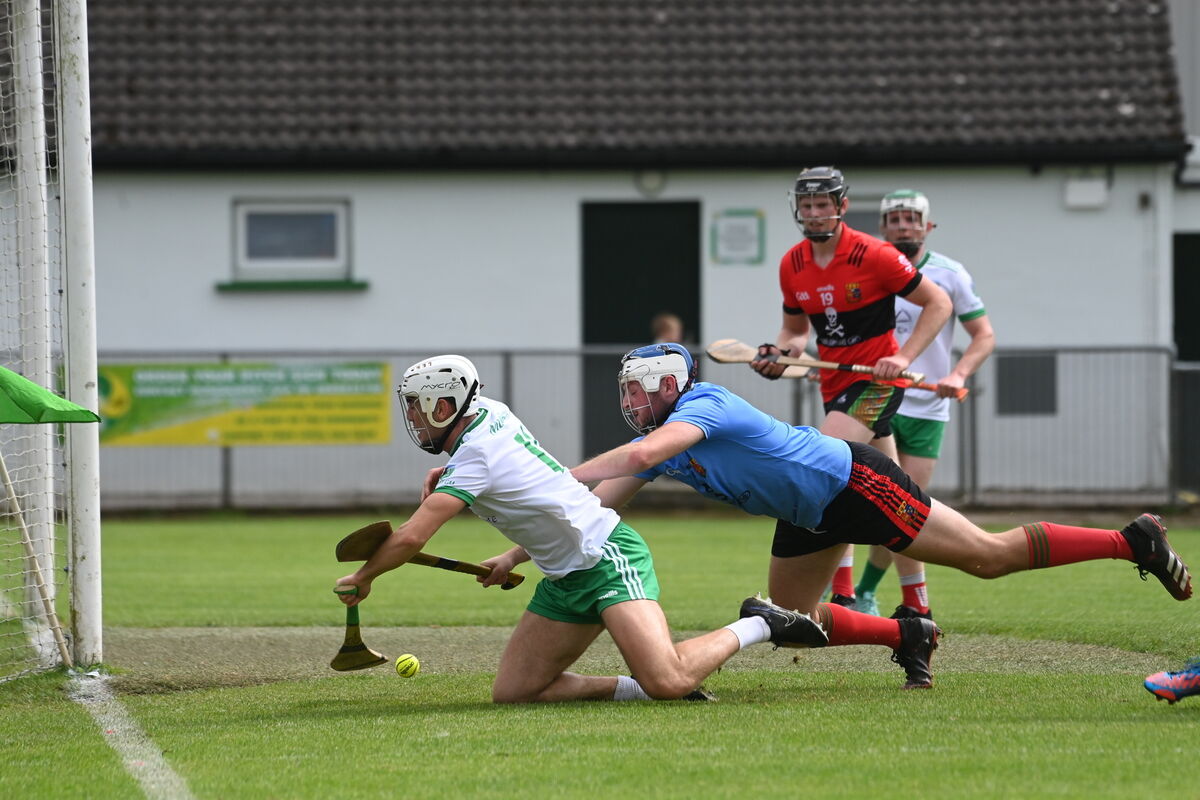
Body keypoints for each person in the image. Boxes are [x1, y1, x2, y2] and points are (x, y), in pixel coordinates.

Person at [570, 342, 1194, 689]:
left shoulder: (702, 406)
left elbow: (641, 454)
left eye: (640, 387)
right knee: (791, 620)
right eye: (626, 389)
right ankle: (909, 633)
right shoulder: (660, 443)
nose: (630, 400)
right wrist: (517, 550)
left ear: (673, 385)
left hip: (852, 481)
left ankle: (1130, 541)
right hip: (808, 514)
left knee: (989, 557)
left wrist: (561, 472)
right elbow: (594, 506)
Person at [335, 354, 827, 704]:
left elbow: (413, 537)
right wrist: (511, 556)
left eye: (421, 408)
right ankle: (633, 685)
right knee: (516, 693)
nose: (416, 420)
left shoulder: (475, 457)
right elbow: (540, 493)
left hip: (607, 557)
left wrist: (366, 577)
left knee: (671, 680)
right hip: (565, 575)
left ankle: (762, 621)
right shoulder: (489, 412)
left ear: (446, 407)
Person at [751, 167, 953, 609]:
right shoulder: (792, 264)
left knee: (819, 465)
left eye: (823, 205)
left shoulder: (876, 255)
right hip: (835, 385)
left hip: (876, 385)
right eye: (807, 206)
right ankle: (918, 609)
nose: (814, 214)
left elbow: (939, 303)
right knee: (900, 503)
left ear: (842, 207)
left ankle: (830, 595)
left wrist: (902, 358)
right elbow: (794, 332)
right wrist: (779, 354)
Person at [853, 189, 996, 620]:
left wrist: (957, 375)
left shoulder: (950, 274)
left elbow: (983, 335)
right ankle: (851, 593)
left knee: (904, 511)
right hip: (880, 401)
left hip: (930, 409)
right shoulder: (867, 269)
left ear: (928, 226)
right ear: (882, 227)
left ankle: (864, 591)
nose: (902, 226)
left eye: (911, 218)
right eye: (894, 219)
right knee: (873, 502)